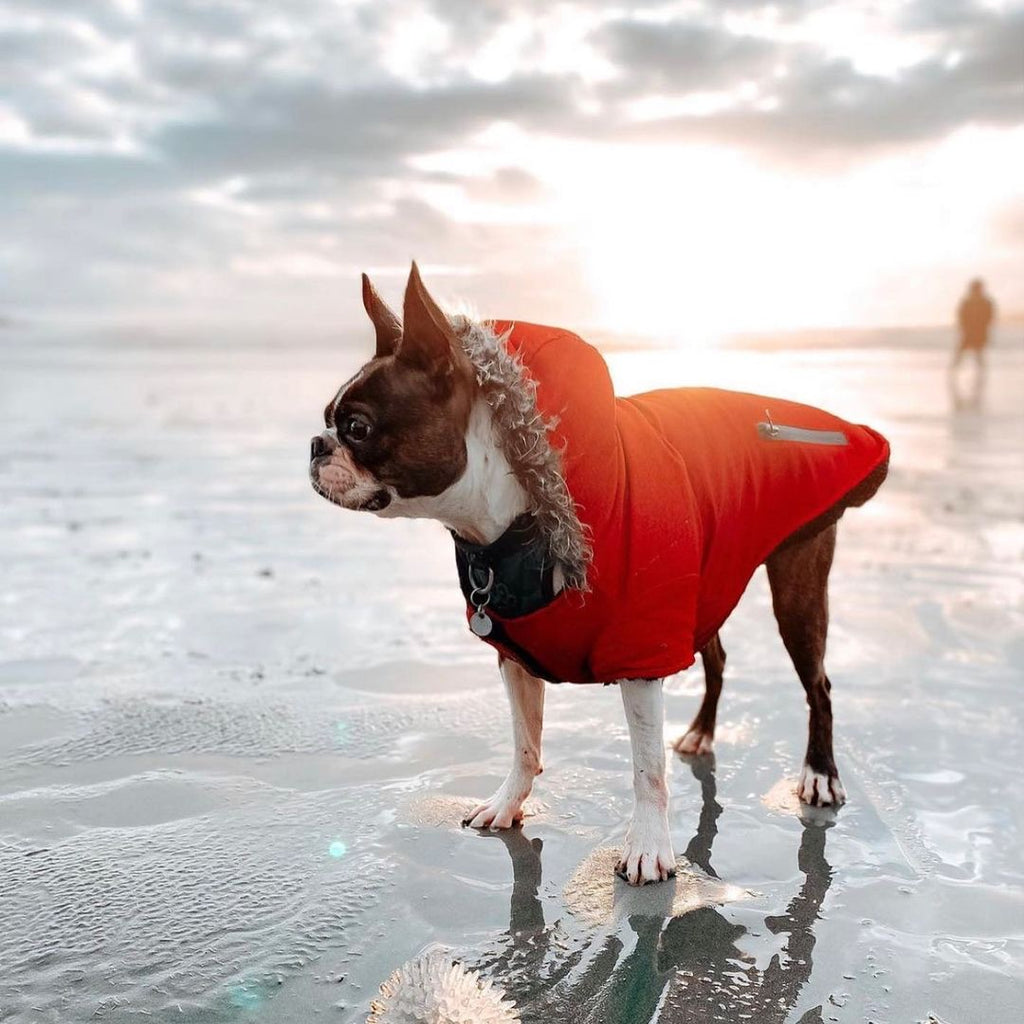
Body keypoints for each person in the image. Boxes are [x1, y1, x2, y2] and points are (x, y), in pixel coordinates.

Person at [953, 278, 996, 369]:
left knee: (975, 353)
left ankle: (954, 371)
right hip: (972, 332)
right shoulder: (970, 302)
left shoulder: (983, 302)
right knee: (972, 353)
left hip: (976, 332)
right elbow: (961, 317)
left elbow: (989, 318)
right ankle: (953, 371)